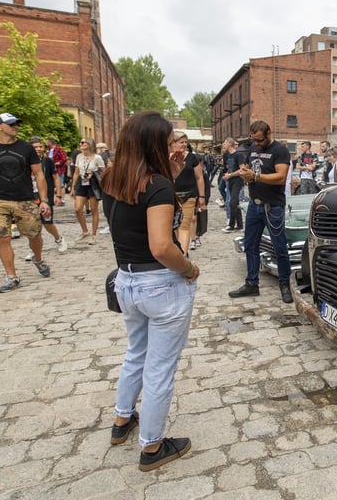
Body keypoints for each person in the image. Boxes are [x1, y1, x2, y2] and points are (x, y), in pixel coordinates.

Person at [100, 110, 199, 472]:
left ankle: (122, 419)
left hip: (127, 280)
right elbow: (161, 245)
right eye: (169, 140)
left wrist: (170, 175)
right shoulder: (155, 185)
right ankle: (153, 446)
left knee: (135, 354)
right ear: (153, 143)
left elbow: (133, 219)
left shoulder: (112, 178)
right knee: (159, 368)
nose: (174, 146)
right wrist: (189, 268)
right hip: (160, 284)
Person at [0, 112, 52, 293]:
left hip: (24, 200)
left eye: (16, 124)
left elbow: (39, 175)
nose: (15, 126)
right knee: (2, 238)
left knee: (34, 235)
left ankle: (37, 259)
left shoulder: (26, 149)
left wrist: (44, 201)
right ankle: (12, 277)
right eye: (11, 124)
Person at [228, 120, 293, 303]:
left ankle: (285, 283)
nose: (256, 143)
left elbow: (280, 177)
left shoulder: (280, 150)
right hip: (254, 205)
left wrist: (255, 176)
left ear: (269, 133)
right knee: (250, 245)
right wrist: (245, 171)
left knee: (279, 247)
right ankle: (251, 283)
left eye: (260, 140)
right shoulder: (253, 148)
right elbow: (250, 167)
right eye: (253, 140)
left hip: (273, 206)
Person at [24, 136, 68, 257]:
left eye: (40, 146)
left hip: (45, 197)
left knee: (47, 222)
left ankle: (59, 239)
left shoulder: (47, 161)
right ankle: (33, 249)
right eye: (35, 147)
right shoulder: (25, 161)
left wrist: (58, 195)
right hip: (30, 196)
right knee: (32, 224)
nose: (38, 149)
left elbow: (56, 178)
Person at [170, 131, 205, 254]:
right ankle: (178, 250)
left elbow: (199, 177)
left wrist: (201, 196)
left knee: (184, 226)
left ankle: (183, 254)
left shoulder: (192, 157)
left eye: (186, 142)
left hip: (189, 196)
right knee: (174, 227)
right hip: (171, 196)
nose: (184, 145)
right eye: (181, 142)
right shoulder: (166, 157)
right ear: (173, 143)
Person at [70, 137, 106, 245]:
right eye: (80, 142)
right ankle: (85, 231)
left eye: (83, 142)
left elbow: (103, 172)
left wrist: (94, 173)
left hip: (93, 184)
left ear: (89, 144)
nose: (81, 144)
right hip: (82, 182)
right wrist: (73, 187)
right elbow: (76, 172)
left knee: (94, 210)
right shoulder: (79, 156)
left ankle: (93, 235)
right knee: (78, 209)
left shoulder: (97, 157)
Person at [221, 138, 244, 233]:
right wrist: (226, 174)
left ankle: (231, 225)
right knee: (235, 203)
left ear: (229, 144)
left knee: (232, 202)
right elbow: (227, 167)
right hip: (230, 181)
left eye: (224, 143)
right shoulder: (227, 155)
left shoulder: (238, 155)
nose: (223, 145)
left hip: (237, 181)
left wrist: (230, 175)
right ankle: (239, 225)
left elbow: (242, 169)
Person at [46, 137, 68, 204]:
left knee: (61, 184)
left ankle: (62, 200)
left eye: (47, 142)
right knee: (51, 185)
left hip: (59, 169)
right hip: (50, 170)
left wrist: (56, 163)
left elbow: (64, 159)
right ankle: (52, 199)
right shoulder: (48, 150)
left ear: (50, 142)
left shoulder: (59, 149)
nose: (46, 143)